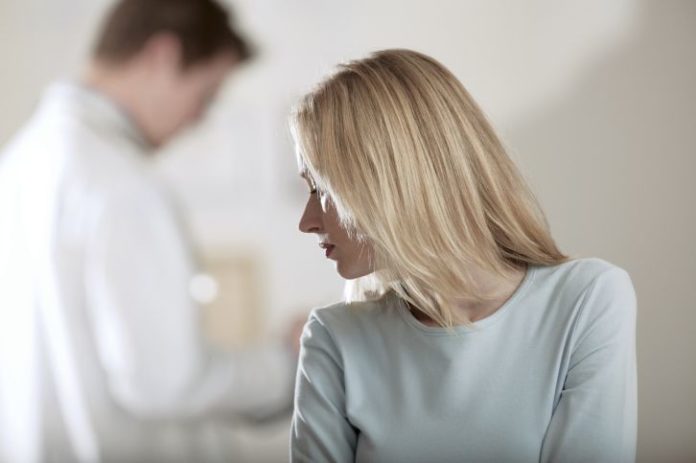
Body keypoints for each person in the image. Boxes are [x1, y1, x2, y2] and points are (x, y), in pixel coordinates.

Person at [289, 49, 637, 462]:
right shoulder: (334, 339)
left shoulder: (586, 301)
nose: (307, 221)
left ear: (394, 180)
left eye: (322, 190)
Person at [0, 1, 297, 462]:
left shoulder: (20, 160)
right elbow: (165, 382)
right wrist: (287, 363)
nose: (202, 117)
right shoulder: (119, 182)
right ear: (163, 55)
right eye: (206, 93)